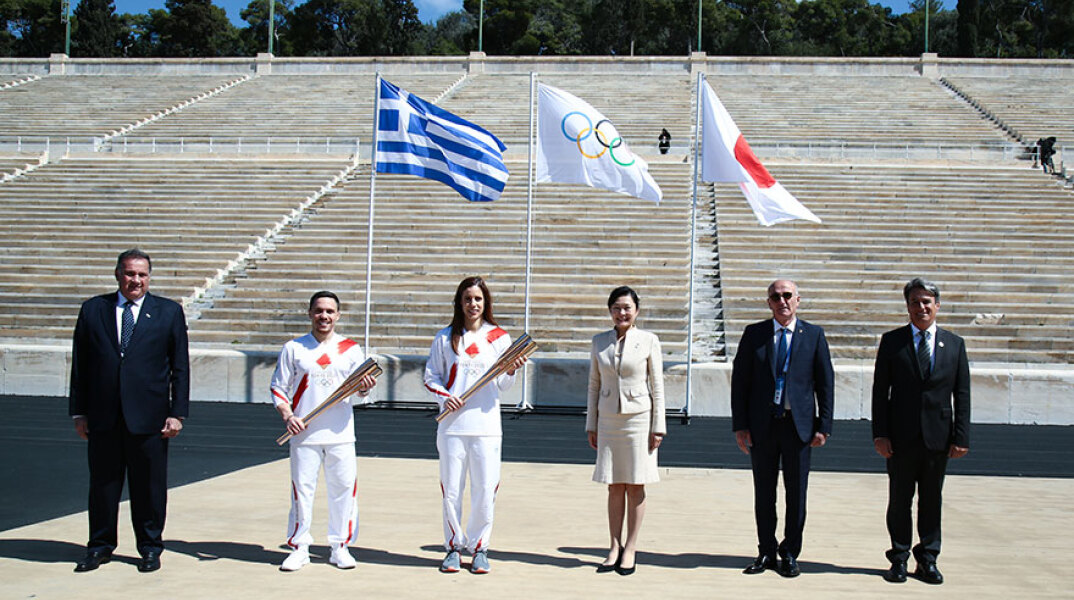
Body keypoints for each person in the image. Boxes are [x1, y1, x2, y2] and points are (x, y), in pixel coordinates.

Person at [69, 248, 190, 573]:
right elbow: (80, 365)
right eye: (129, 273)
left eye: (141, 274)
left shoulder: (167, 312)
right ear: (117, 274)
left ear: (148, 277)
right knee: (103, 485)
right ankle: (100, 546)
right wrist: (78, 412)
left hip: (150, 418)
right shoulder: (94, 310)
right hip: (103, 416)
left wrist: (177, 412)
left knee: (149, 487)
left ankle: (150, 548)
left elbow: (180, 366)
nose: (135, 280)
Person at [730, 279, 834, 578]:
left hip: (798, 426)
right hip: (763, 427)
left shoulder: (813, 335)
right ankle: (766, 550)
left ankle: (790, 552)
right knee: (764, 493)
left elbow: (825, 383)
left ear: (798, 300)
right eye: (775, 296)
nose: (782, 301)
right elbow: (741, 383)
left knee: (796, 493)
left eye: (787, 295)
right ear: (769, 302)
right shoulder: (755, 335)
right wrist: (741, 425)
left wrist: (823, 425)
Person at [424, 276, 526, 575]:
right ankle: (454, 547)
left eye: (478, 299)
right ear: (459, 302)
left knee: (484, 489)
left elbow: (505, 386)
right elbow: (431, 377)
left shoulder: (499, 337)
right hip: (453, 426)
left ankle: (480, 547)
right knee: (452, 490)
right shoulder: (444, 338)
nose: (473, 304)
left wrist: (511, 370)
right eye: (468, 299)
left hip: (486, 426)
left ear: (486, 302)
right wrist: (446, 397)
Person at [872, 278, 970, 585]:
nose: (921, 307)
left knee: (931, 500)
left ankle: (928, 559)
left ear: (937, 306)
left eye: (927, 302)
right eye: (915, 302)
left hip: (938, 437)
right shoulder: (892, 341)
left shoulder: (954, 344)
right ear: (908, 306)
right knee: (900, 500)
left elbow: (962, 394)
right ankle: (899, 557)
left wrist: (961, 437)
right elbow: (880, 392)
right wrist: (880, 434)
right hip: (900, 438)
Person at [270, 291, 376, 572]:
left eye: (330, 311)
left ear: (338, 315)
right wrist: (288, 415)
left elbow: (361, 392)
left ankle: (340, 546)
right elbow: (278, 388)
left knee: (343, 490)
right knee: (302, 491)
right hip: (304, 432)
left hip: (340, 433)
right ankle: (299, 547)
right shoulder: (294, 348)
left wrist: (365, 386)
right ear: (310, 314)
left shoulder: (351, 350)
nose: (324, 316)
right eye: (319, 311)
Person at [585, 286, 666, 576]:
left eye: (627, 307)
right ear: (610, 310)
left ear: (637, 311)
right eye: (617, 307)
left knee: (636, 483)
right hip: (608, 420)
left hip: (639, 420)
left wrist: (659, 426)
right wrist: (591, 424)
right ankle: (614, 546)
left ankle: (631, 547)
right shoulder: (598, 342)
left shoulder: (648, 340)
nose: (622, 312)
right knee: (614, 484)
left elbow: (657, 385)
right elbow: (593, 384)